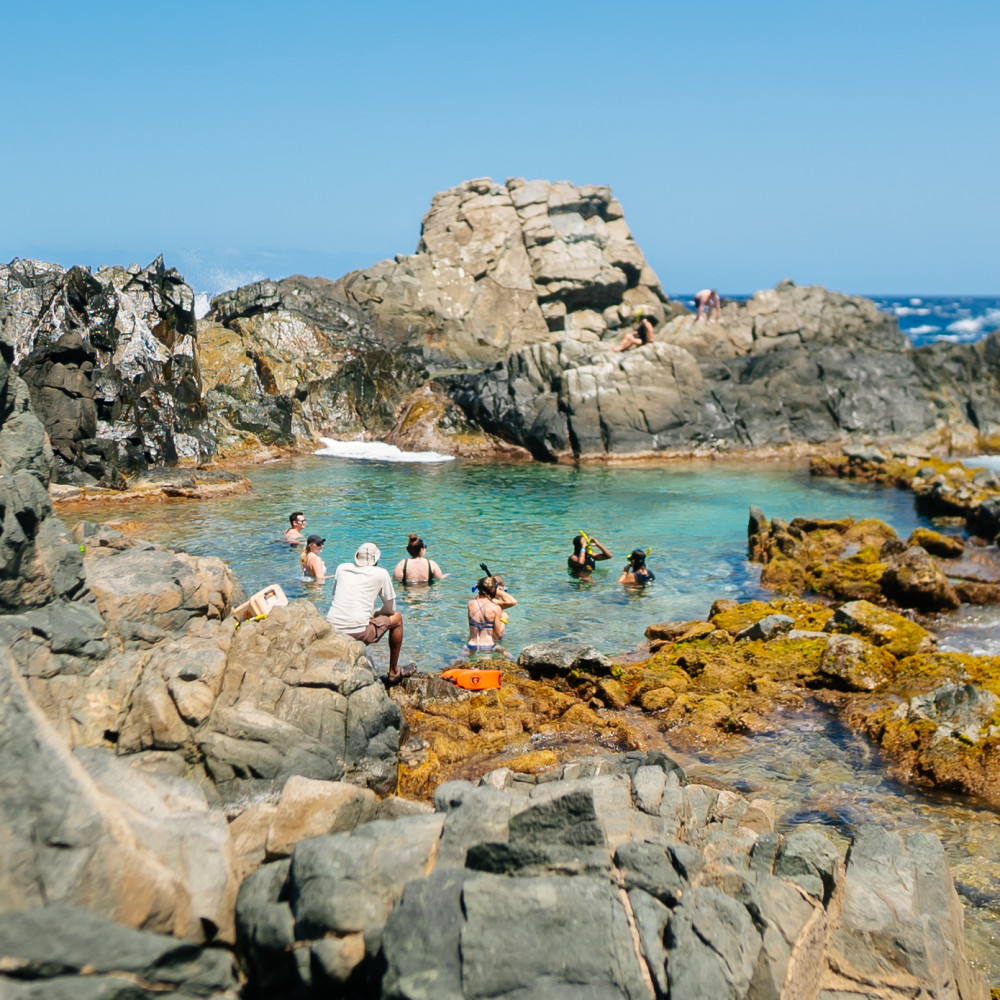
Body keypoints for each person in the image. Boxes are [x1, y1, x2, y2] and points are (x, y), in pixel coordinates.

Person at [327, 542, 415, 686]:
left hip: (332, 628)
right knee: (398, 618)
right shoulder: (381, 573)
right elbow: (391, 609)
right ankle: (394, 671)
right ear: (376, 560)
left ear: (356, 557)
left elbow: (336, 597)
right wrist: (376, 613)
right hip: (357, 632)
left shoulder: (341, 568)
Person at [467, 574, 517, 651]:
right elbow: (498, 635)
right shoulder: (495, 606)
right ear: (494, 589)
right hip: (488, 645)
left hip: (471, 645)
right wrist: (504, 619)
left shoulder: (471, 603)